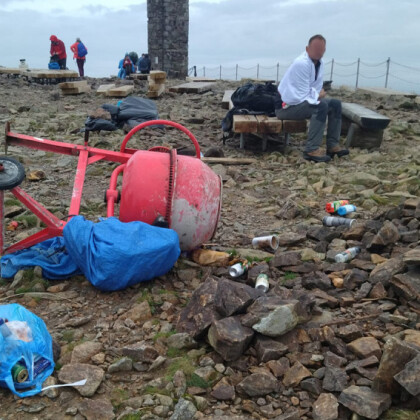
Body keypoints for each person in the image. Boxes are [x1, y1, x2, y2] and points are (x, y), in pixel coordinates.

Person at [275, 35, 349, 163]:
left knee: (335, 104)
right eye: (315, 48)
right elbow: (302, 95)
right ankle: (311, 149)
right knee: (320, 107)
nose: (318, 52)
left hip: (301, 103)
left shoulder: (320, 64)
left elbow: (313, 89)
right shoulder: (301, 63)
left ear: (324, 50)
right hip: (285, 107)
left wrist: (316, 94)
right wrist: (318, 95)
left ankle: (332, 146)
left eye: (321, 49)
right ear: (307, 49)